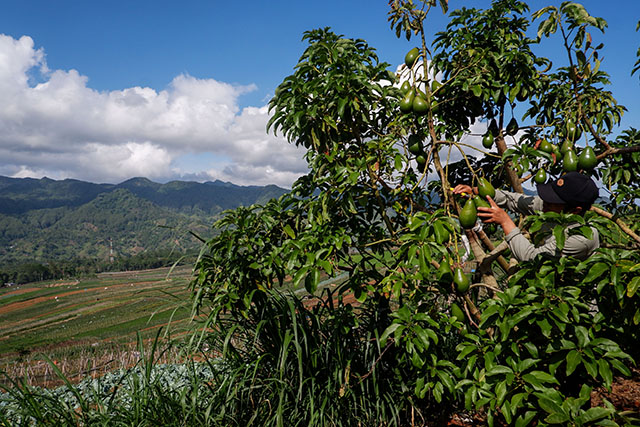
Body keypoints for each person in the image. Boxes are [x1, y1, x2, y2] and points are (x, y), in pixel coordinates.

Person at [452, 172, 600, 261]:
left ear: (575, 210)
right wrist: (475, 191)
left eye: (553, 200)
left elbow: (532, 258)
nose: (545, 202)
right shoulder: (549, 209)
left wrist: (505, 221)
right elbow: (514, 200)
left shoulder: (582, 238)